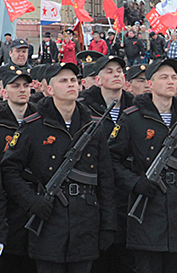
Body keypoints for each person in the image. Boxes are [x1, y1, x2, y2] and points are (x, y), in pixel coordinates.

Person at [1, 63, 117, 273]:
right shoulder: (32, 126)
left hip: (85, 222)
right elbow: (9, 170)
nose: (70, 84)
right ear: (49, 89)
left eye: (73, 80)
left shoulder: (93, 126)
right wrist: (31, 201)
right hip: (48, 221)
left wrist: (108, 224)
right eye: (63, 80)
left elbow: (106, 179)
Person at [108, 58, 177, 273]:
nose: (171, 81)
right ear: (150, 84)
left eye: (174, 77)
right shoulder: (132, 118)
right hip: (148, 210)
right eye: (164, 77)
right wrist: (135, 183)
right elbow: (111, 161)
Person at [79, 55, 135, 273]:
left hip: (128, 191)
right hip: (98, 191)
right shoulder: (84, 108)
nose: (116, 75)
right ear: (98, 79)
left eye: (119, 70)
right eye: (109, 71)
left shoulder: (135, 106)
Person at [0, 67, 37, 273]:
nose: (22, 90)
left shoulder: (41, 119)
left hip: (36, 205)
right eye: (15, 86)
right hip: (8, 209)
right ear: (4, 91)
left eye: (25, 86)